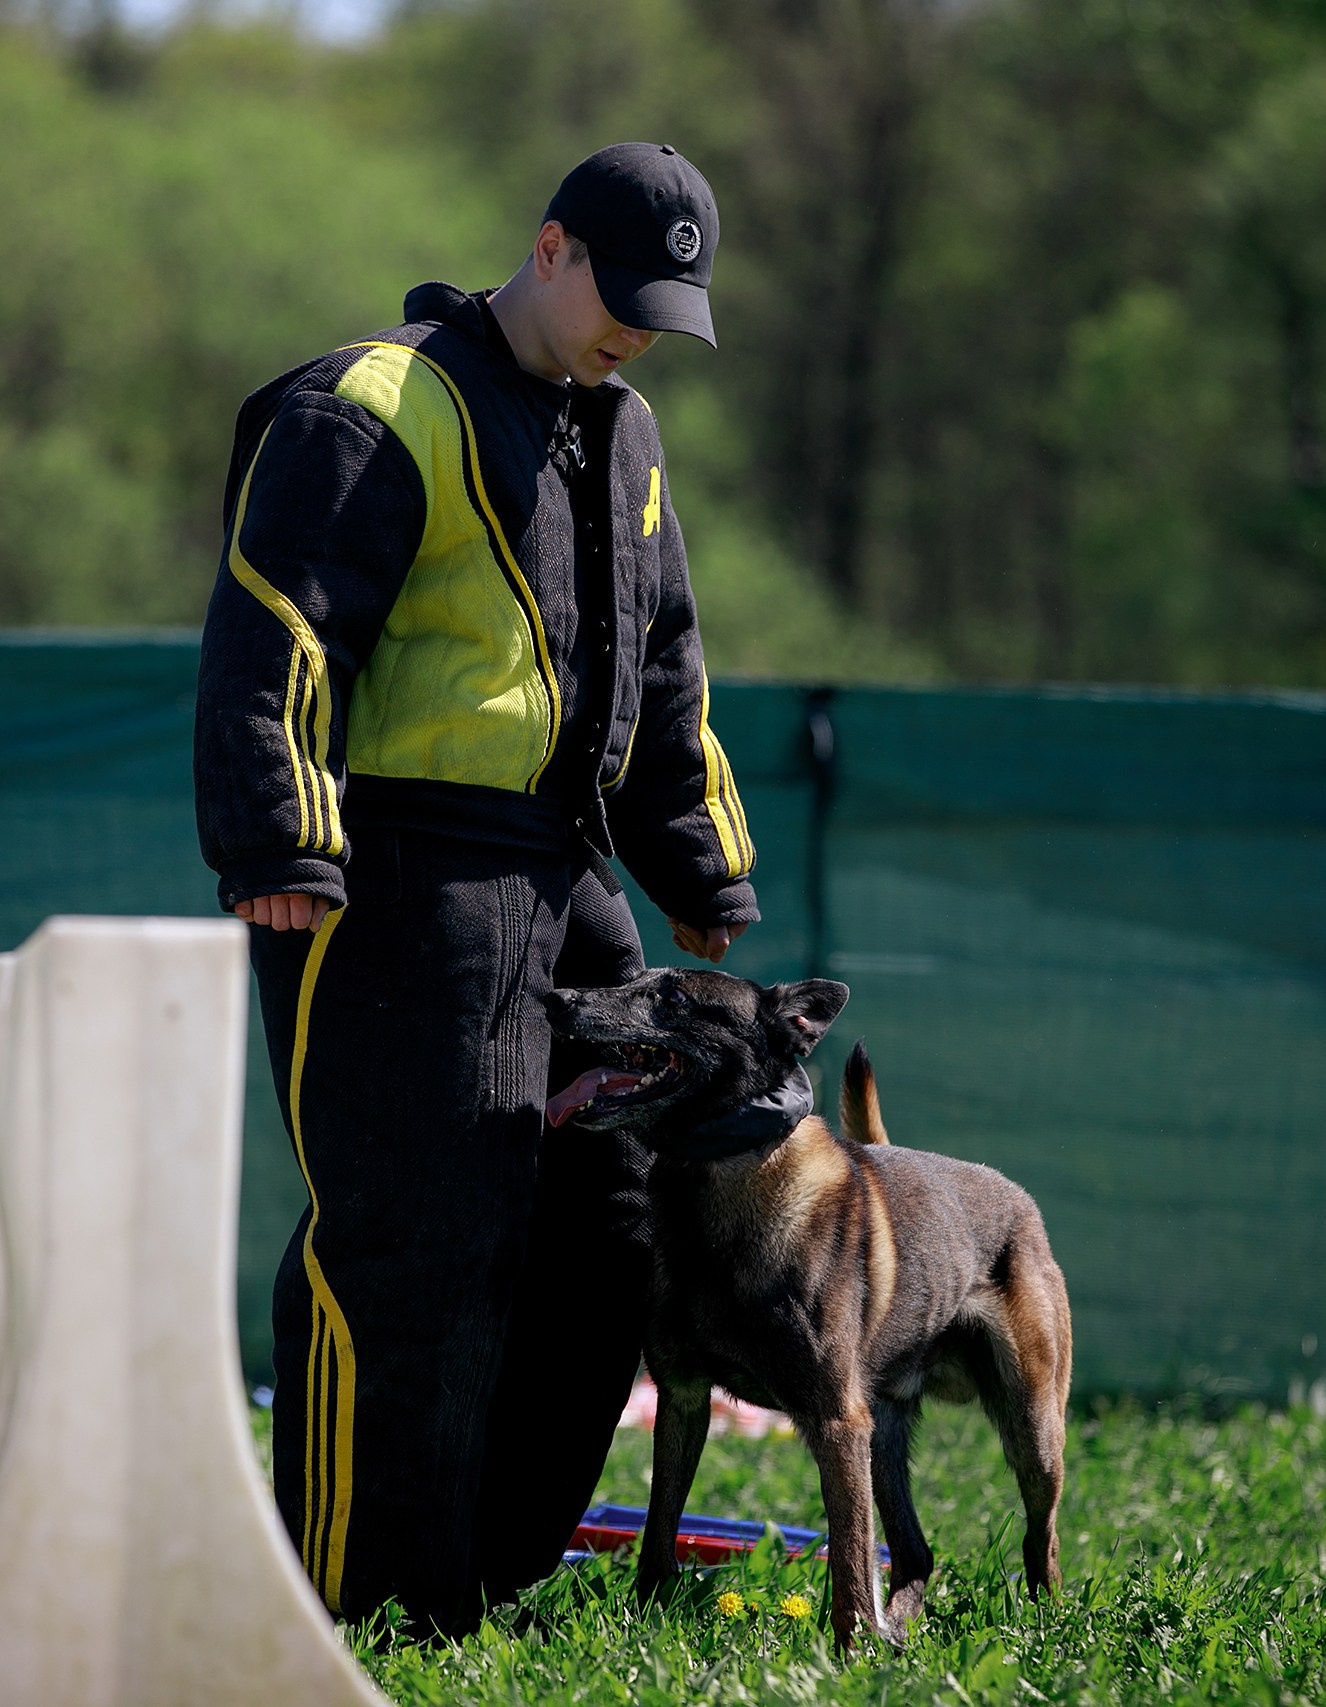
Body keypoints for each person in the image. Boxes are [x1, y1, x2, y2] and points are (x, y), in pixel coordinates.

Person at [192, 143, 758, 1636]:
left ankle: (486, 1577)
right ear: (549, 246)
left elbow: (666, 662)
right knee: (414, 1243)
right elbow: (277, 634)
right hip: (387, 876)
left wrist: (698, 867)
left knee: (609, 1234)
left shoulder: (626, 432)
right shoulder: (372, 404)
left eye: (668, 307)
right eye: (624, 293)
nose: (641, 330)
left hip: (560, 874)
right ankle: (354, 1607)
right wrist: (282, 847)